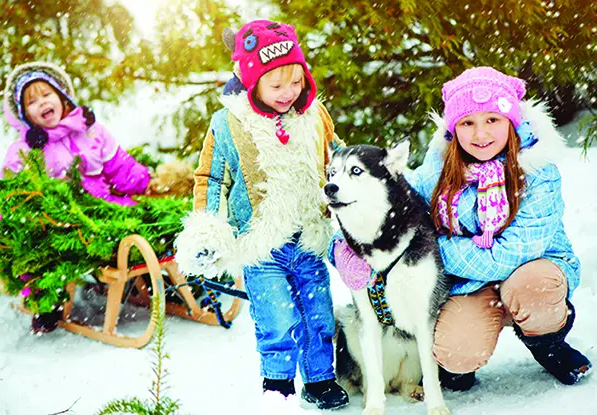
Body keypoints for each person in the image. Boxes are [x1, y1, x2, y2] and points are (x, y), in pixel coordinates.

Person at [334, 66, 591, 391]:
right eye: (468, 123)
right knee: (454, 353)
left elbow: (515, 251)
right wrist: (344, 247)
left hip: (529, 271)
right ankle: (462, 359)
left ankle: (549, 347)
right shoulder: (438, 169)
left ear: (511, 123)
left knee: (534, 291)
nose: (480, 135)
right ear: (454, 129)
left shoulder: (538, 171)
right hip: (468, 284)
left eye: (492, 120)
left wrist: (430, 252)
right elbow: (390, 204)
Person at [174, 20, 349, 411]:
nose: (289, 93)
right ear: (252, 83)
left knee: (317, 314)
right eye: (276, 85)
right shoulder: (229, 123)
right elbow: (212, 177)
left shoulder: (314, 118)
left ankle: (320, 380)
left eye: (296, 82)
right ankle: (279, 385)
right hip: (262, 244)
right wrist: (207, 230)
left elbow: (337, 155)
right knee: (277, 318)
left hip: (308, 238)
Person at [0, 61, 151, 333]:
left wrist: (142, 181)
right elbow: (8, 192)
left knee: (141, 221)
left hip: (102, 209)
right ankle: (45, 301)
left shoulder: (90, 130)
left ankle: (153, 278)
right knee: (35, 245)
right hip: (59, 224)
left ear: (62, 96)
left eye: (46, 94)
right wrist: (4, 228)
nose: (42, 103)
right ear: (24, 114)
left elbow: (118, 164)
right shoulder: (24, 150)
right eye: (32, 101)